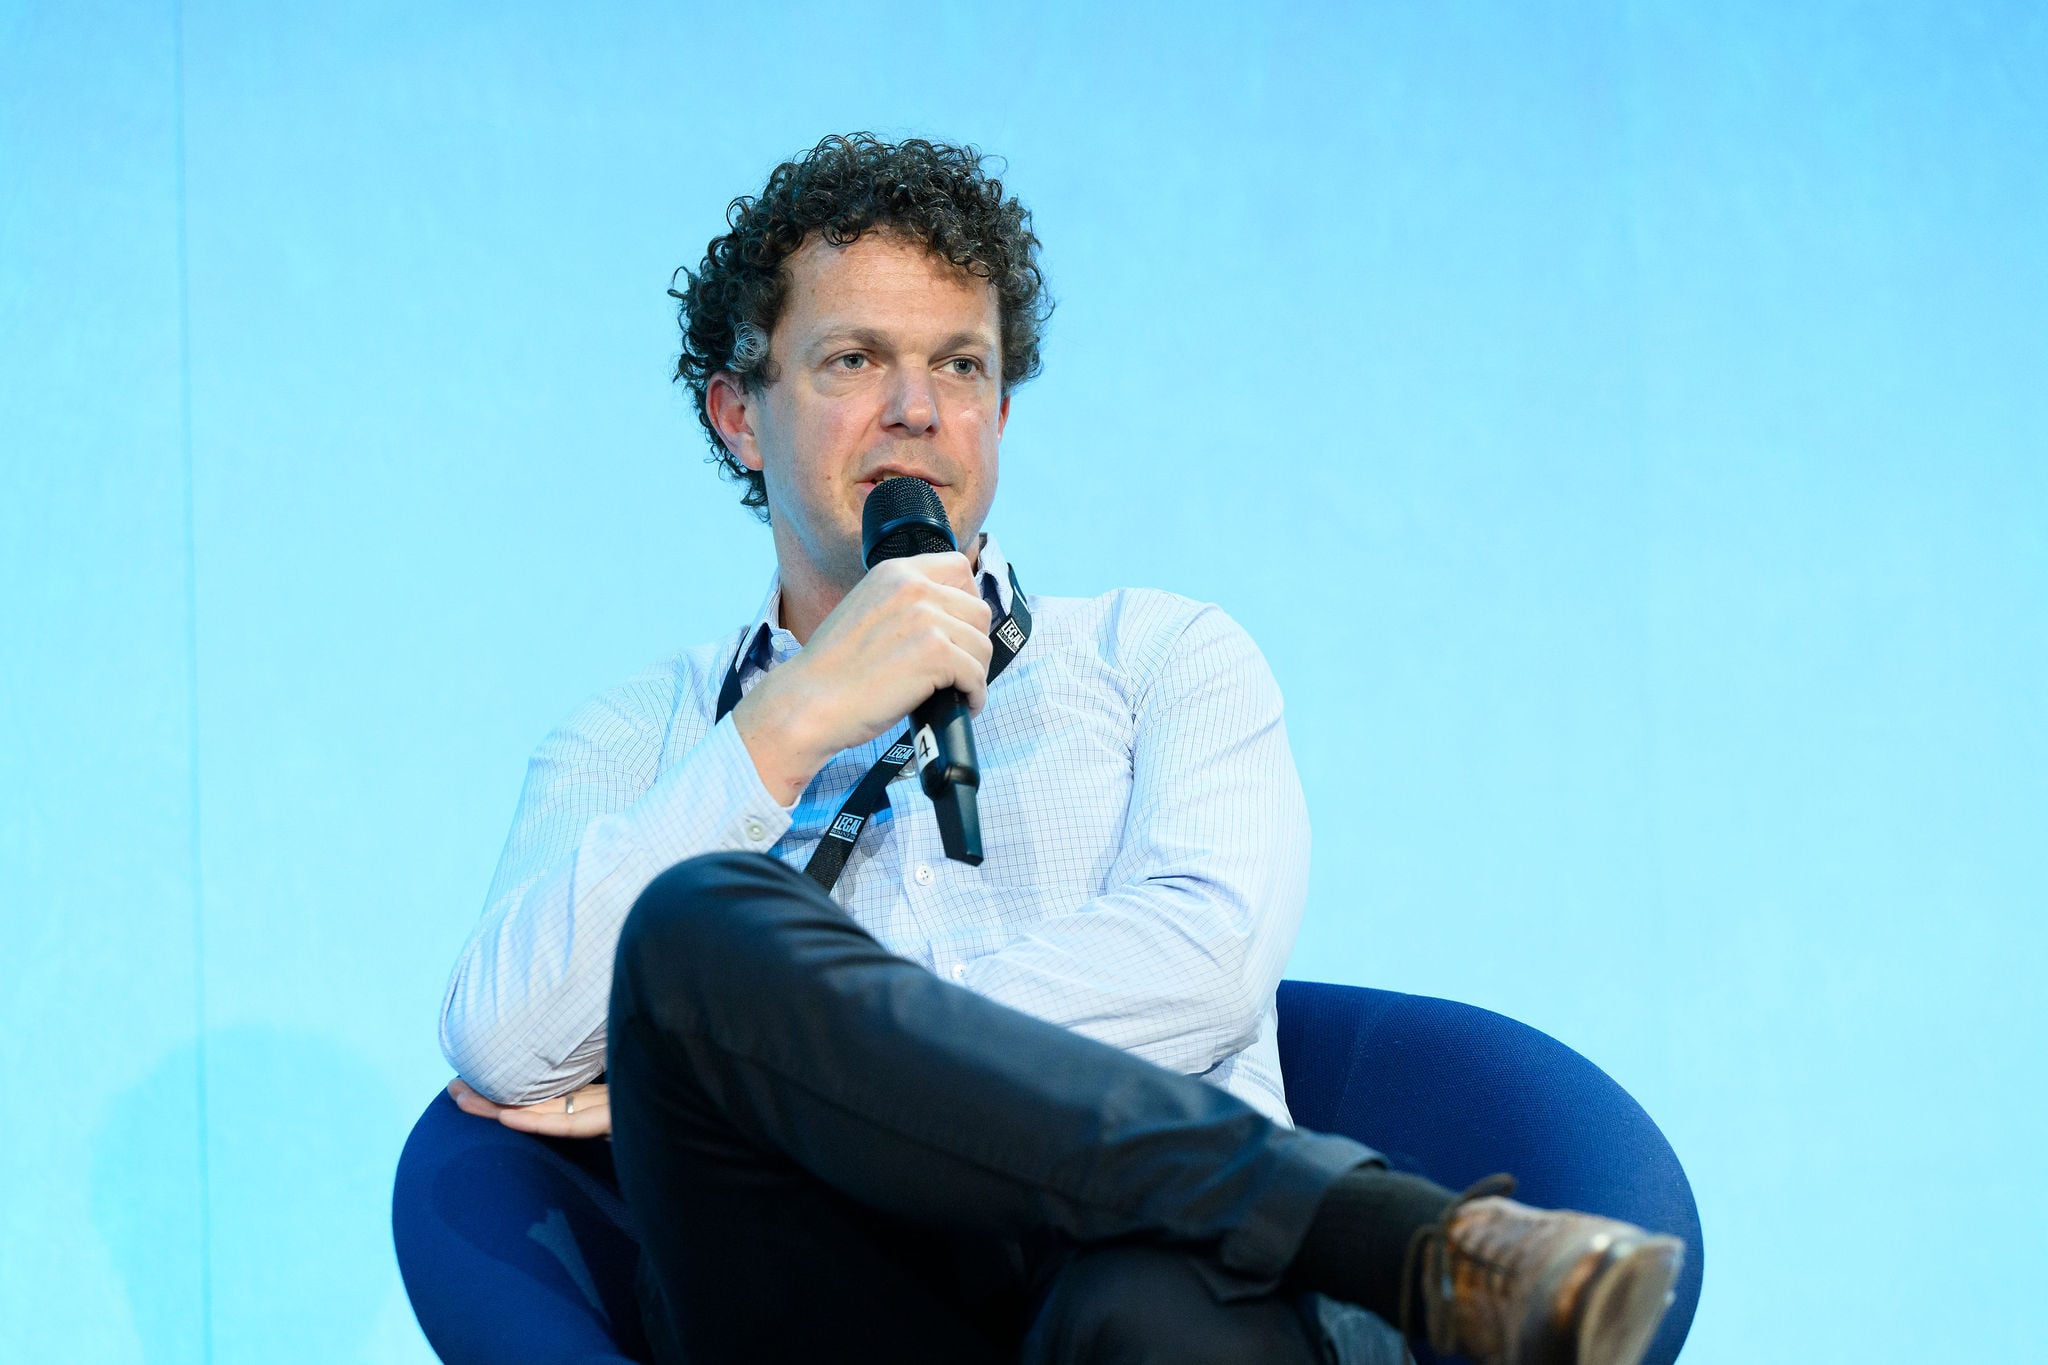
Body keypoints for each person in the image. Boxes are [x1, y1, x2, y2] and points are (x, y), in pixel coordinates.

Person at [440, 133, 1682, 1365]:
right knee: (694, 927)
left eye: (959, 365)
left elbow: (1205, 963)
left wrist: (781, 1070)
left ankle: (1358, 1245)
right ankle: (1392, 1241)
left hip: (1156, 1272)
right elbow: (503, 1037)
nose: (916, 408)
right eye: (854, 359)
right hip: (835, 1311)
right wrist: (790, 722)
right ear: (738, 416)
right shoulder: (636, 736)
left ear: (996, 411)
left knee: (1146, 1313)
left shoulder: (1160, 655)